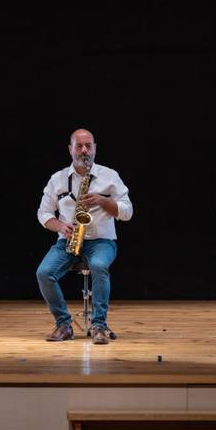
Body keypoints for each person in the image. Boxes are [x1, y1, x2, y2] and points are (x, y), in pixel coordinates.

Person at [36, 129, 132, 344]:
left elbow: (127, 212)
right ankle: (63, 324)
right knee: (43, 273)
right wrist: (60, 225)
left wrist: (103, 201)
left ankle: (99, 326)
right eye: (79, 146)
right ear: (70, 150)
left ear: (95, 148)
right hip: (68, 240)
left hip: (101, 241)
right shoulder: (57, 179)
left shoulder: (110, 176)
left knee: (98, 265)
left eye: (88, 145)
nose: (84, 150)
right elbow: (43, 213)